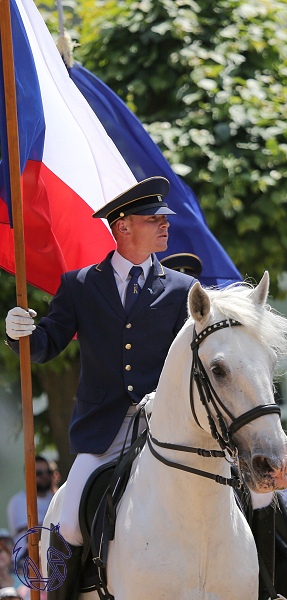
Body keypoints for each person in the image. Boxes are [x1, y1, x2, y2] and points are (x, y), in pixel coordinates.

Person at [3, 177, 197, 600]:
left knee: (237, 490)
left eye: (164, 219)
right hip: (102, 430)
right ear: (123, 227)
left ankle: (273, 578)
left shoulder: (183, 289)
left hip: (164, 425)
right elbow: (46, 344)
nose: (166, 225)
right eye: (155, 219)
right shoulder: (79, 285)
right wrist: (19, 334)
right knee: (69, 522)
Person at [6, 456, 59, 539]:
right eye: (38, 473)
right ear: (27, 476)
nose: (45, 476)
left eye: (48, 472)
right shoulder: (19, 501)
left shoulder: (55, 498)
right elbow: (32, 533)